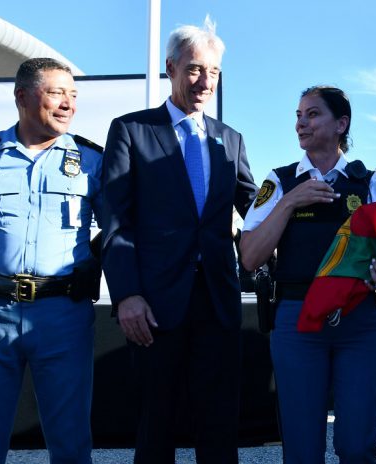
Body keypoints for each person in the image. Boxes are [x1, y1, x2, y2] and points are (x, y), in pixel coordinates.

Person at [101, 18, 257, 464]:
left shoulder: (232, 140)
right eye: (193, 69)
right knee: (156, 427)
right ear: (170, 68)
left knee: (220, 426)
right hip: (153, 307)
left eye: (213, 71)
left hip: (218, 303)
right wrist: (127, 294)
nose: (205, 81)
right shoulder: (131, 131)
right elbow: (115, 219)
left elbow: (257, 212)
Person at [0, 58, 103, 464]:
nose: (68, 104)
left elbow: (118, 227)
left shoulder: (92, 161)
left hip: (63, 314)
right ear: (22, 96)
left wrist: (83, 261)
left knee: (70, 443)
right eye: (56, 93)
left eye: (73, 95)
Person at [239, 86, 376, 463]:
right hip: (298, 322)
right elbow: (249, 256)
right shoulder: (278, 183)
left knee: (358, 445)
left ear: (341, 124)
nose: (301, 124)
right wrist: (291, 202)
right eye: (298, 115)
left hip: (360, 321)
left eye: (312, 114)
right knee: (302, 446)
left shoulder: (368, 183)